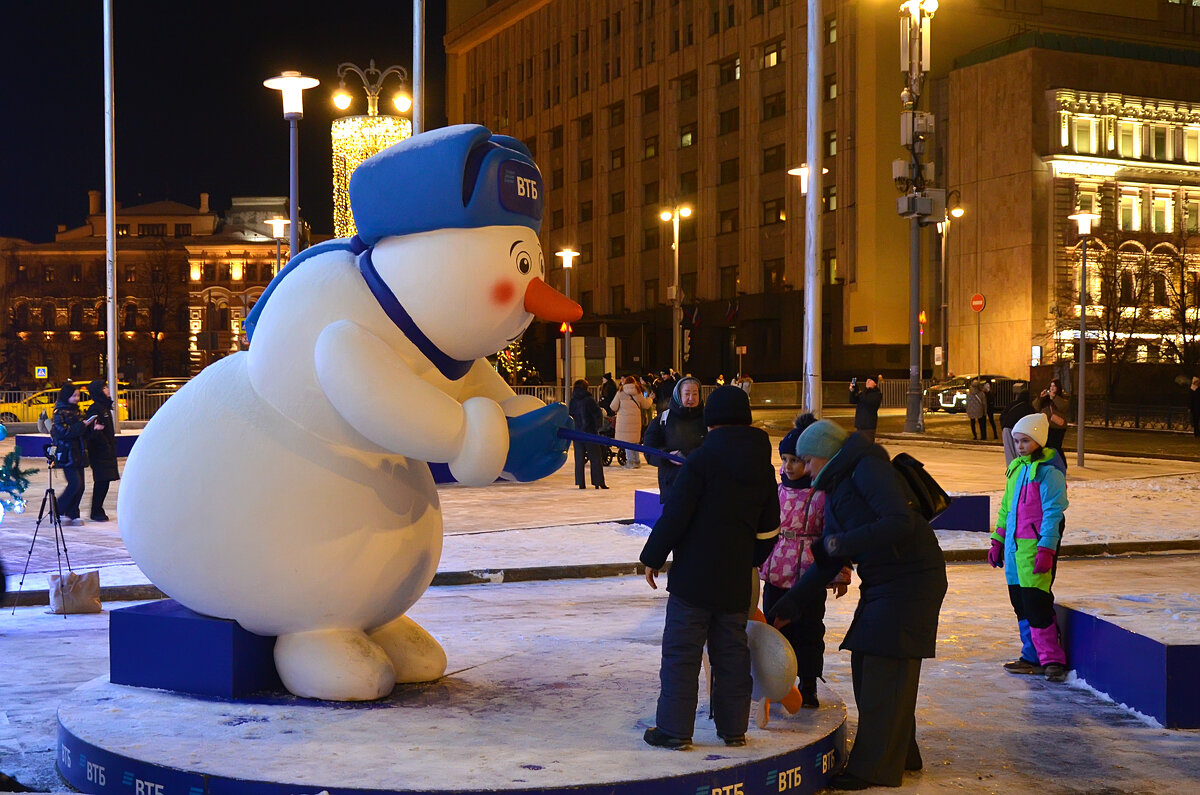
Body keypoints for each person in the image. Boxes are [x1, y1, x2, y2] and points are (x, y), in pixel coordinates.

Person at [767, 420, 947, 789]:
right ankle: (901, 755)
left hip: (911, 580)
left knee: (884, 665)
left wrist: (839, 544)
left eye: (808, 460)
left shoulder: (868, 467)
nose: (805, 468)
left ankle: (875, 769)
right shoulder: (837, 485)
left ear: (823, 454)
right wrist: (790, 605)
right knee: (869, 664)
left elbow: (899, 521)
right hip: (885, 580)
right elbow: (829, 560)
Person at [640, 386, 781, 750]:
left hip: (693, 581)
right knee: (732, 656)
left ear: (711, 421)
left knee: (682, 655)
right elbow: (770, 528)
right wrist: (749, 558)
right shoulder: (762, 468)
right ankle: (734, 730)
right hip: (735, 581)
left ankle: (674, 730)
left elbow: (677, 514)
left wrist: (653, 556)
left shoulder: (701, 461)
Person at [759, 414, 851, 708]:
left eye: (796, 460)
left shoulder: (821, 494)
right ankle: (773, 682)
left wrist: (840, 573)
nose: (789, 466)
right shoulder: (776, 491)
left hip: (810, 574)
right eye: (784, 459)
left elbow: (835, 534)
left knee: (810, 631)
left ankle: (808, 682)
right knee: (773, 629)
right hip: (776, 572)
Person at [986, 412, 1069, 683]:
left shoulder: (1049, 472)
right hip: (1013, 551)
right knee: (1020, 604)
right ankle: (1031, 656)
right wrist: (998, 539)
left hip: (1034, 550)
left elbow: (1053, 513)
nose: (1020, 446)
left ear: (1039, 441)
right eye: (1017, 441)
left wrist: (1047, 549)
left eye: (1025, 441)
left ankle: (1052, 659)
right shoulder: (1016, 469)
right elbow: (1006, 509)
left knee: (1037, 604)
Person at [643, 376, 706, 503]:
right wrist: (667, 455)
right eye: (687, 394)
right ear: (678, 395)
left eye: (695, 394)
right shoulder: (663, 419)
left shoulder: (708, 418)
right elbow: (649, 449)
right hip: (673, 483)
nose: (691, 398)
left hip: (703, 484)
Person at [50, 382, 95, 526]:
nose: (77, 398)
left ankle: (72, 512)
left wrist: (92, 428)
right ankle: (57, 510)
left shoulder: (77, 411)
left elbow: (81, 433)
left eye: (78, 395)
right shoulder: (59, 413)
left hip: (79, 452)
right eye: (74, 395)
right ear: (66, 396)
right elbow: (64, 432)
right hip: (67, 453)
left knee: (81, 485)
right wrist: (83, 425)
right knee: (75, 483)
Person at [83, 379, 119, 521]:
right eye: (104, 387)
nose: (108, 389)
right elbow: (90, 431)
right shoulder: (96, 408)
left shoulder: (104, 407)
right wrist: (99, 435)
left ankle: (98, 509)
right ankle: (96, 510)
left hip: (107, 449)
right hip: (100, 451)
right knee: (102, 481)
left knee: (105, 481)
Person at [568, 379, 608, 490]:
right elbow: (597, 414)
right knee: (595, 458)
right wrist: (597, 428)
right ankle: (598, 482)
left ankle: (581, 482)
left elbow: (570, 415)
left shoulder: (573, 400)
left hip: (577, 433)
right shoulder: (589, 400)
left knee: (579, 459)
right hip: (590, 432)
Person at [611, 376, 652, 468]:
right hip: (636, 421)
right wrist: (650, 399)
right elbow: (646, 405)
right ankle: (637, 461)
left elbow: (613, 407)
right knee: (635, 441)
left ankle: (630, 462)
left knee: (627, 442)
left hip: (624, 421)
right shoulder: (638, 393)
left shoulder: (620, 393)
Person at [999, 382, 1037, 466]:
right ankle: (1019, 468)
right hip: (1018, 431)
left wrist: (1003, 426)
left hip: (1006, 428)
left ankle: (1011, 469)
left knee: (1009, 451)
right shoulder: (1028, 408)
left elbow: (1002, 416)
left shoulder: (1012, 404)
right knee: (1019, 450)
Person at [1036, 378, 1070, 468]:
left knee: (1056, 446)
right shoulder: (1045, 400)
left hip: (1058, 427)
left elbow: (1063, 407)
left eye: (1054, 386)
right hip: (1046, 426)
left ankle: (1062, 465)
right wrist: (1040, 398)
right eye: (1051, 386)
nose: (1052, 388)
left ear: (1058, 388)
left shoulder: (1061, 398)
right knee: (1046, 446)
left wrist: (1054, 397)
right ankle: (1048, 463)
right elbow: (1035, 407)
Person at [849, 376, 883, 444]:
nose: (867, 382)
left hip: (869, 426)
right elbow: (852, 401)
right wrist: (852, 391)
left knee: (867, 446)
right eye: (867, 380)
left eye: (870, 380)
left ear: (875, 383)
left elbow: (867, 400)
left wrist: (858, 391)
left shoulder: (877, 394)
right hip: (860, 425)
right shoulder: (864, 393)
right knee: (859, 446)